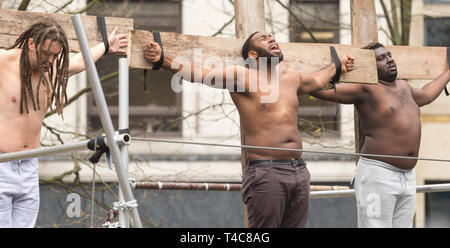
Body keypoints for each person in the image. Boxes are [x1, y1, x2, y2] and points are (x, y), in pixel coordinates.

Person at [144, 31, 355, 227]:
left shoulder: (291, 77)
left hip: (299, 171)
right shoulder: (243, 77)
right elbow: (200, 73)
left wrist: (337, 65)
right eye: (264, 39)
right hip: (267, 172)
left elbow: (318, 80)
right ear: (253, 54)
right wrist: (163, 59)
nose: (272, 39)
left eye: (273, 37)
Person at [0, 18, 127, 228]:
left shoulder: (50, 69)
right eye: (45, 53)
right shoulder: (3, 62)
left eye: (54, 55)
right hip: (2, 163)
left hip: (29, 166)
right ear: (31, 44)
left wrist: (105, 46)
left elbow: (80, 62)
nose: (49, 60)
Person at [310, 42, 450, 228]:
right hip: (378, 174)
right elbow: (319, 90)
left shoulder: (404, 87)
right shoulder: (366, 89)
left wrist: (448, 72)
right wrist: (334, 69)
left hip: (407, 177)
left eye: (389, 55)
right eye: (381, 58)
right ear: (370, 66)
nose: (389, 59)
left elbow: (426, 94)